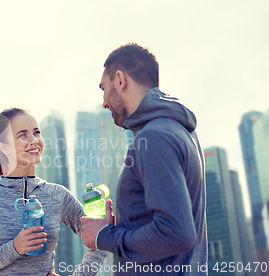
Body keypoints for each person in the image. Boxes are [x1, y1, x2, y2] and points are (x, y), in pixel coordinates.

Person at [80, 43, 207, 275]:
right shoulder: (179, 131)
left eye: (104, 88)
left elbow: (176, 233)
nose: (104, 102)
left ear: (120, 79)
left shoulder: (155, 137)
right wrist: (122, 224)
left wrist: (104, 236)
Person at [0, 107, 108, 276]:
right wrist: (15, 247)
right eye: (23, 135)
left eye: (37, 132)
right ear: (4, 147)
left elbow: (101, 237)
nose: (34, 140)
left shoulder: (58, 195)